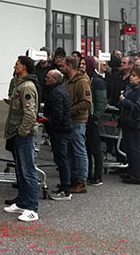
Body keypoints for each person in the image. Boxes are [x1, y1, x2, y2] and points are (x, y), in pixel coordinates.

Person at [2, 56, 40, 222]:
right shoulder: (20, 84)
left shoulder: (27, 87)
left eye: (17, 64)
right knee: (21, 170)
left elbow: (30, 113)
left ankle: (32, 208)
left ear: (24, 67)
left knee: (28, 170)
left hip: (23, 134)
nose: (14, 66)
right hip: (17, 133)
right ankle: (22, 203)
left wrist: (23, 131)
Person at [60, 56, 91, 193]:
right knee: (71, 151)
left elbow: (86, 102)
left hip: (78, 120)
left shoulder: (82, 81)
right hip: (69, 120)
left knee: (79, 151)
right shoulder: (67, 80)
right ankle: (73, 178)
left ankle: (81, 181)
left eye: (63, 66)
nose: (60, 68)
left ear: (70, 66)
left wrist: (69, 111)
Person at [43, 70, 72, 200]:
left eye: (48, 77)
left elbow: (57, 115)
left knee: (62, 159)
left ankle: (66, 190)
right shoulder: (58, 90)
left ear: (54, 79)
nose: (45, 79)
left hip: (60, 131)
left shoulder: (56, 93)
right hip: (62, 129)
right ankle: (64, 185)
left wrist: (51, 129)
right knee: (61, 159)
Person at [119, 67, 140, 185]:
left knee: (135, 150)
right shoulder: (130, 88)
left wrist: (124, 101)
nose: (131, 77)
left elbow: (138, 108)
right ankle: (131, 171)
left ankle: (137, 176)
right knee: (128, 148)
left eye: (135, 76)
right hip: (128, 122)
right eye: (131, 75)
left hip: (137, 123)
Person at [83, 56, 107, 186]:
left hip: (93, 119)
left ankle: (98, 175)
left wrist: (96, 117)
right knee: (87, 148)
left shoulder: (97, 81)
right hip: (86, 118)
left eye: (84, 64)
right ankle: (88, 173)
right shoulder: (86, 79)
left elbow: (101, 101)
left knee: (96, 148)